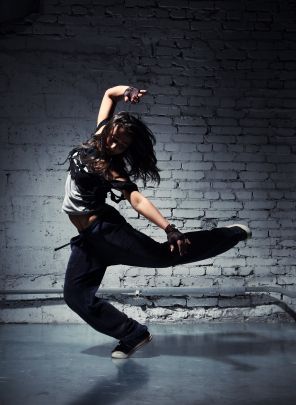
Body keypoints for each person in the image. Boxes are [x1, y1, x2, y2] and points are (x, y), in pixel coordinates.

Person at [59, 85, 251, 359]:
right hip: (88, 240)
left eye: (122, 145)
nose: (115, 146)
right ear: (109, 129)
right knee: (75, 295)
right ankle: (133, 334)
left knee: (164, 255)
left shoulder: (110, 167)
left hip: (106, 231)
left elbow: (136, 199)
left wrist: (169, 228)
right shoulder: (100, 134)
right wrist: (129, 90)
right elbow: (109, 95)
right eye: (115, 139)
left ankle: (230, 234)